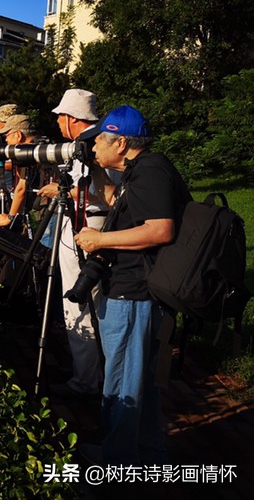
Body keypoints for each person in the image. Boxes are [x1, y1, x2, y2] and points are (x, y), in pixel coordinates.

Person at [74, 104, 190, 465]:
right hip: (135, 292)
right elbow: (120, 204)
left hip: (134, 294)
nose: (93, 148)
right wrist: (96, 171)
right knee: (140, 383)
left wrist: (99, 241)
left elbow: (160, 229)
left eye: (99, 143)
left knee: (122, 382)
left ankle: (116, 464)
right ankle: (145, 453)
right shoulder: (141, 172)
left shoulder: (151, 172)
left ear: (121, 143)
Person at [38, 88, 112, 398]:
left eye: (60, 118)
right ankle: (91, 375)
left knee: (77, 304)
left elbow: (109, 194)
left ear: (71, 118)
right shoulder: (91, 143)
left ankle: (85, 382)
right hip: (85, 224)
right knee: (86, 303)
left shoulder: (96, 146)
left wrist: (66, 192)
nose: (57, 123)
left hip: (87, 228)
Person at [0, 114, 38, 231]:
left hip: (44, 212)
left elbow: (21, 188)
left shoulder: (28, 154)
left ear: (18, 135)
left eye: (7, 135)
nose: (6, 140)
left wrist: (9, 217)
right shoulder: (40, 148)